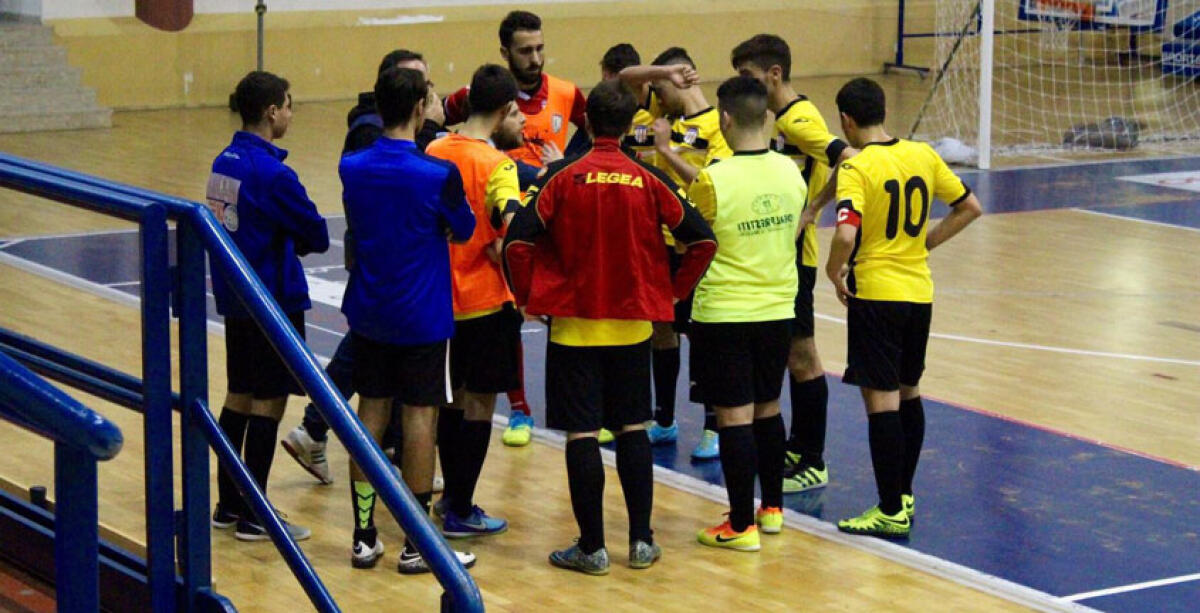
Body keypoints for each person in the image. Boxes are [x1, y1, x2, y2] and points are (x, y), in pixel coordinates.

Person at [503, 79, 716, 575]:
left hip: (575, 327)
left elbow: (517, 243)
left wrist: (528, 297)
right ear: (627, 127)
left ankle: (592, 548)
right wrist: (673, 292)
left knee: (582, 434)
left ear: (590, 122)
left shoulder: (560, 176)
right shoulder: (649, 178)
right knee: (632, 428)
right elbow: (702, 240)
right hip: (632, 329)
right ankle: (641, 542)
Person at [282, 49, 447, 486]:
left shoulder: (370, 132)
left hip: (385, 264)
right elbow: (413, 184)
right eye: (419, 84)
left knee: (367, 356)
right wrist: (430, 130)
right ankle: (318, 428)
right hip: (387, 263)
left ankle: (329, 434)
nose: (427, 93)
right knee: (368, 360)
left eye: (428, 84)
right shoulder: (371, 133)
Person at [828, 77, 982, 538]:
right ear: (883, 112)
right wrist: (925, 243)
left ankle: (890, 507)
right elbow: (969, 206)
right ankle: (905, 494)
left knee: (881, 402)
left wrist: (835, 270)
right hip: (919, 293)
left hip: (876, 293)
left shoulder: (857, 167)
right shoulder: (923, 154)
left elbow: (845, 233)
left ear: (846, 121)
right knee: (910, 390)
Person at [338, 66, 478, 572]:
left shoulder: (351, 166)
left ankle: (363, 535)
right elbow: (462, 230)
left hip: (370, 311)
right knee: (421, 418)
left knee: (370, 413)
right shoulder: (438, 173)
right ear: (420, 108)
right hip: (421, 316)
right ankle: (418, 543)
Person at [444, 10, 585, 444]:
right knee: (511, 312)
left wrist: (567, 167)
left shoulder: (565, 92)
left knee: (557, 312)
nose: (535, 57)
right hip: (503, 228)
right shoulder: (475, 97)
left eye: (540, 48)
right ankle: (520, 409)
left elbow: (601, 129)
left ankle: (579, 411)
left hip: (546, 218)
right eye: (525, 50)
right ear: (504, 52)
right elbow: (443, 119)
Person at [731, 33, 859, 494]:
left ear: (774, 74)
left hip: (797, 258)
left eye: (748, 76)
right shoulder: (783, 116)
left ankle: (812, 459)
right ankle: (798, 446)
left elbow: (849, 158)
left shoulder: (798, 118)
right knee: (791, 354)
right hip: (784, 252)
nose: (743, 85)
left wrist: (813, 208)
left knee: (802, 357)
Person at [206, 71, 329, 542]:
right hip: (271, 299)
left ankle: (226, 504)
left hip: (236, 296)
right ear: (272, 111)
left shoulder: (224, 160)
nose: (291, 114)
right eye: (289, 104)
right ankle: (256, 513)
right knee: (268, 402)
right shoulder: (273, 173)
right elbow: (316, 234)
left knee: (239, 393)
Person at [689, 76, 805, 552]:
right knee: (768, 407)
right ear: (768, 118)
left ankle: (740, 525)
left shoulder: (713, 178)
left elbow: (690, 240)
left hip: (725, 312)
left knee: (733, 415)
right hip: (779, 306)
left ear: (725, 118)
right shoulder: (791, 173)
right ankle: (772, 509)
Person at [425, 64, 526, 533]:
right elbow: (512, 232)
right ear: (505, 109)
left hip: (440, 299)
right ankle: (461, 509)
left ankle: (449, 501)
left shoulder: (434, 149)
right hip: (486, 303)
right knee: (480, 406)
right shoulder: (498, 166)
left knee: (448, 402)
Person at [642, 46, 732, 459]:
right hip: (661, 246)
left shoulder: (718, 124)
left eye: (661, 87)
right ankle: (663, 419)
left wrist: (666, 153)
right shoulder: (665, 119)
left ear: (685, 78)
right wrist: (660, 71)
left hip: (698, 248)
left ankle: (713, 426)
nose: (656, 98)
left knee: (704, 338)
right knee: (662, 332)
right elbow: (625, 75)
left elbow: (714, 181)